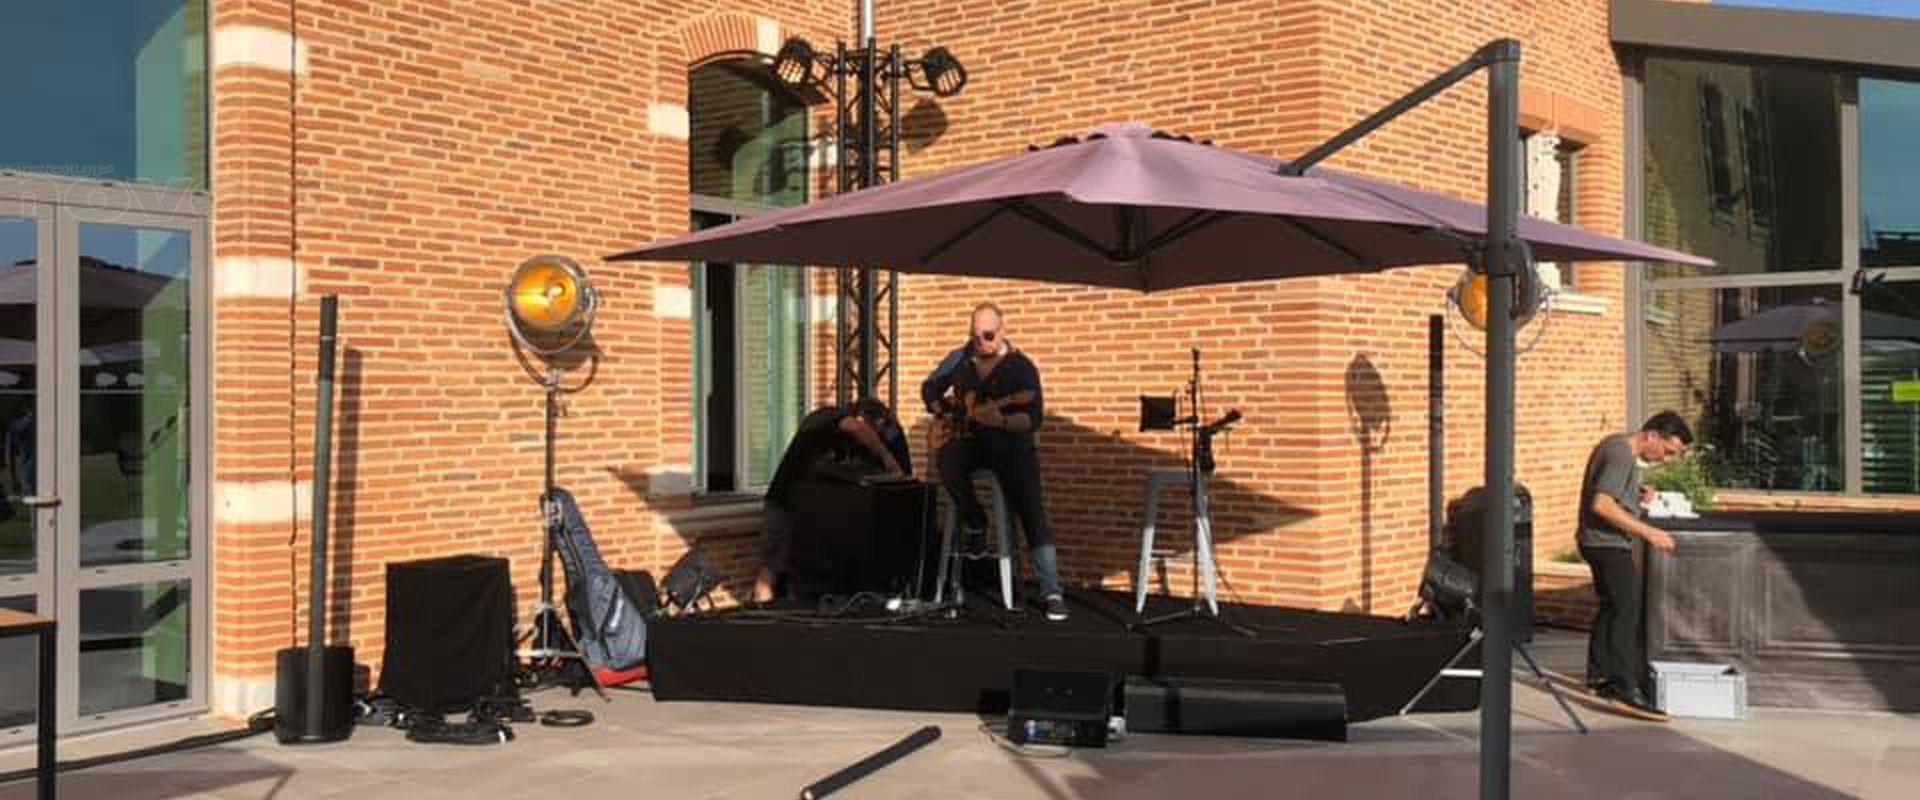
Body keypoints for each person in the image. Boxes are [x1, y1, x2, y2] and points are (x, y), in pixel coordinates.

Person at [921, 302, 1068, 622]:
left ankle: (1051, 589)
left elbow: (1032, 418)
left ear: (1003, 330)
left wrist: (1001, 421)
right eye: (976, 336)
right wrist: (940, 409)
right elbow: (931, 385)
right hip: (969, 443)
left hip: (1010, 446)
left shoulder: (1020, 367)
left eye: (988, 335)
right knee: (947, 460)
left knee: (1031, 509)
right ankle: (976, 521)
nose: (982, 343)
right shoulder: (960, 358)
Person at [1578, 410, 1691, 720]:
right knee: (1627, 612)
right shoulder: (1621, 454)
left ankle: (1599, 676)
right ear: (1652, 435)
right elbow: (1601, 504)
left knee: (1612, 607)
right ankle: (1623, 687)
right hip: (1607, 544)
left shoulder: (1615, 446)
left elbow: (1610, 494)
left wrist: (1636, 496)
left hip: (1597, 542)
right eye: (1668, 452)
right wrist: (1649, 531)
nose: (1666, 459)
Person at [753, 397, 910, 603]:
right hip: (783, 504)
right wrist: (887, 457)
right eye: (874, 428)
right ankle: (762, 616)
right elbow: (856, 428)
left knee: (800, 570)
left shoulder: (850, 445)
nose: (875, 435)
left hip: (809, 510)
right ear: (861, 417)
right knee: (773, 566)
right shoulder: (824, 418)